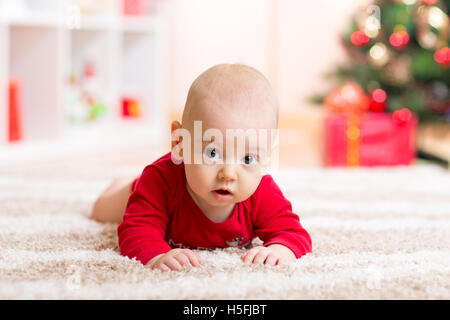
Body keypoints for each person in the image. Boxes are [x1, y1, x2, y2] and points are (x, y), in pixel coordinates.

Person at [90, 64, 312, 272]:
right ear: (180, 144)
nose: (228, 174)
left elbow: (292, 232)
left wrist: (280, 249)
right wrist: (157, 256)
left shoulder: (262, 191)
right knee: (101, 211)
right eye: (212, 153)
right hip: (140, 193)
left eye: (248, 158)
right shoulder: (160, 180)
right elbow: (136, 229)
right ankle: (124, 183)